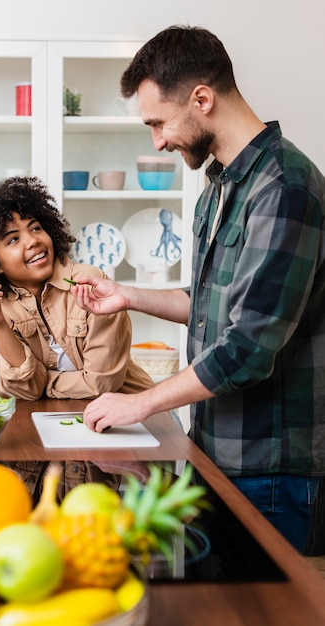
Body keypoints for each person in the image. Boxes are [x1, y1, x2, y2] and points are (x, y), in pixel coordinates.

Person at [70, 25, 325, 553]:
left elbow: (247, 350)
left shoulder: (286, 188)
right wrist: (129, 296)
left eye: (158, 122)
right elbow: (210, 303)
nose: (158, 141)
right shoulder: (219, 187)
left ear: (201, 99)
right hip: (214, 450)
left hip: (270, 469)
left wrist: (137, 405)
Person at [0, 175, 154, 401]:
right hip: (63, 419)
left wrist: (44, 383)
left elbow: (101, 384)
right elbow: (25, 390)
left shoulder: (90, 282)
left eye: (35, 228)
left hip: (141, 416)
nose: (33, 240)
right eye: (13, 239)